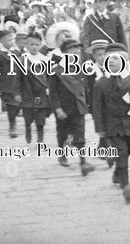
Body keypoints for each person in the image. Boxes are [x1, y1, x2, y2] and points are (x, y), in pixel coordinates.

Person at [93, 42, 130, 204]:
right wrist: (100, 129)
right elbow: (97, 108)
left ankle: (118, 171)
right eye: (109, 59)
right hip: (112, 126)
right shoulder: (101, 83)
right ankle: (126, 185)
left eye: (115, 59)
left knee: (127, 149)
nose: (111, 62)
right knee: (122, 151)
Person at [48, 39, 95, 176]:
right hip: (63, 108)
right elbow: (53, 92)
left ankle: (83, 162)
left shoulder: (81, 68)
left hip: (78, 107)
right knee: (62, 133)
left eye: (77, 52)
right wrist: (57, 108)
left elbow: (85, 88)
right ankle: (62, 154)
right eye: (71, 52)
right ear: (64, 53)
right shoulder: (56, 70)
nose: (75, 54)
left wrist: (88, 104)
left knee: (80, 135)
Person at [13, 32, 51, 143]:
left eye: (36, 44)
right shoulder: (22, 60)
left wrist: (50, 88)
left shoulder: (45, 60)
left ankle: (40, 137)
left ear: (40, 45)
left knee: (41, 117)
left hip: (42, 92)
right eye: (31, 44)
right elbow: (17, 79)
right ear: (26, 45)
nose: (34, 47)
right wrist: (17, 93)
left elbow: (50, 77)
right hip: (27, 91)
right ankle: (28, 127)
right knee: (28, 115)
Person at [0, 29, 21, 138]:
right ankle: (12, 125)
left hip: (18, 83)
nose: (11, 41)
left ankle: (14, 118)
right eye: (8, 39)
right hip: (6, 83)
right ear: (1, 40)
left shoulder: (18, 52)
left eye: (12, 39)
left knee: (17, 105)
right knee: (11, 105)